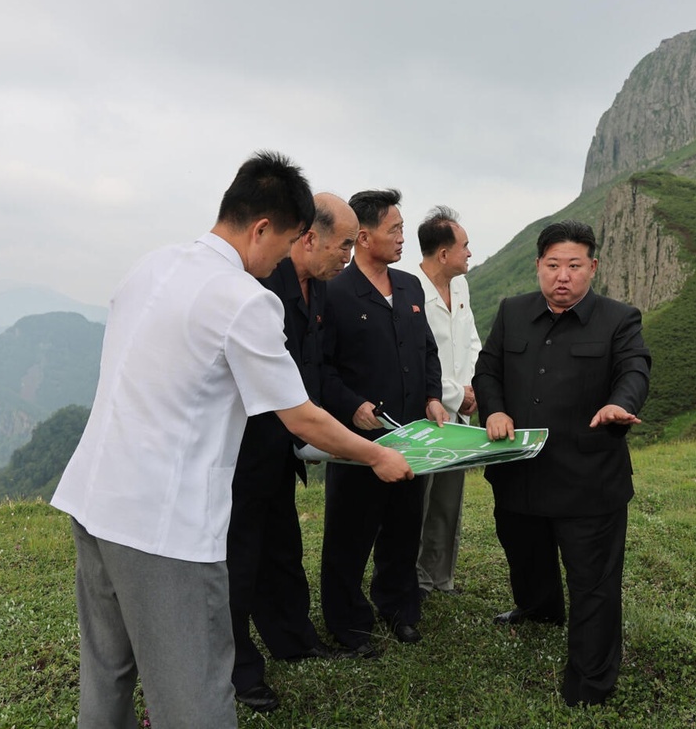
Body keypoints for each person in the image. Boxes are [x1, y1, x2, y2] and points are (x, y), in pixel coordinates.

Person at [50, 153, 412, 729]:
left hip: (94, 500)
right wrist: (377, 455)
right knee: (195, 692)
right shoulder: (245, 298)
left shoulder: (153, 264)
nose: (283, 260)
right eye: (287, 243)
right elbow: (302, 417)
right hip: (162, 527)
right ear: (262, 228)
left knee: (108, 673)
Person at [473, 219, 651, 707]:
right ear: (538, 266)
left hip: (587, 480)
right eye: (553, 265)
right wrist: (495, 409)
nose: (563, 276)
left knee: (593, 584)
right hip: (519, 472)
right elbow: (487, 370)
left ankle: (590, 685)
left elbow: (634, 369)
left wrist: (619, 403)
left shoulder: (618, 319)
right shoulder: (512, 312)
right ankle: (539, 609)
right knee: (525, 554)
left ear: (593, 267)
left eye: (574, 265)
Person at [226, 193, 358, 713]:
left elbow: (314, 365)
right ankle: (239, 669)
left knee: (282, 547)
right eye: (343, 244)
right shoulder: (261, 284)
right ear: (309, 238)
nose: (348, 255)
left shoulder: (319, 288)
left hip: (284, 452)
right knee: (239, 560)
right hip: (242, 450)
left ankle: (293, 639)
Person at [319, 188, 447, 657]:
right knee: (350, 534)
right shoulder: (335, 291)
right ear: (364, 237)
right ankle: (347, 622)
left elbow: (428, 350)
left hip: (410, 435)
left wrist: (432, 396)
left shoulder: (410, 287)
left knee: (403, 528)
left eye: (402, 228)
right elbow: (321, 367)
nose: (401, 238)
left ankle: (399, 608)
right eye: (394, 230)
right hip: (358, 441)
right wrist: (351, 404)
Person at [412, 206, 482, 599]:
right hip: (429, 408)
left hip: (460, 410)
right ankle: (414, 578)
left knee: (448, 499)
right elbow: (417, 357)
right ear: (443, 253)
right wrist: (455, 393)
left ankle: (440, 577)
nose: (469, 253)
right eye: (464, 246)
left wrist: (473, 387)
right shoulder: (410, 290)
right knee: (419, 500)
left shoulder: (461, 287)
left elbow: (471, 340)